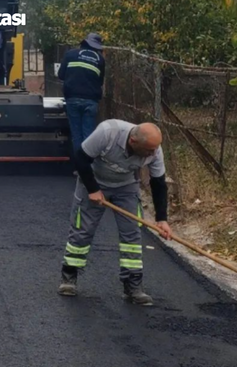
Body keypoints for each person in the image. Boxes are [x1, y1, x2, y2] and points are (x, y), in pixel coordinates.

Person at [57, 119, 172, 306]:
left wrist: (162, 219)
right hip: (94, 180)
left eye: (155, 149)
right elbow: (80, 158)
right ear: (133, 141)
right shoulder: (107, 132)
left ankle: (133, 286)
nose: (153, 153)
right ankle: (69, 276)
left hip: (126, 187)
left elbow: (158, 183)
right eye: (149, 150)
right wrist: (93, 189)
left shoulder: (154, 151)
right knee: (82, 231)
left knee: (132, 236)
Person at [57, 32, 106, 160]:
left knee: (76, 134)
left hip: (73, 99)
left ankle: (80, 168)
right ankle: (89, 166)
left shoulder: (70, 54)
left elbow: (61, 75)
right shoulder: (100, 60)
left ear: (84, 43)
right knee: (89, 135)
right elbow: (100, 81)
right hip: (91, 101)